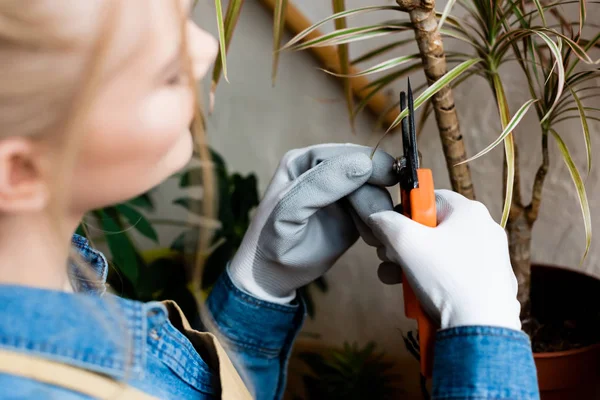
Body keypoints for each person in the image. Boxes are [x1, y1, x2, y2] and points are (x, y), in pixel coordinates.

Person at [0, 0, 539, 399]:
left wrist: (259, 290)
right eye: (166, 74)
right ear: (21, 169)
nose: (208, 50)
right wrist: (485, 336)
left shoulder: (55, 282)